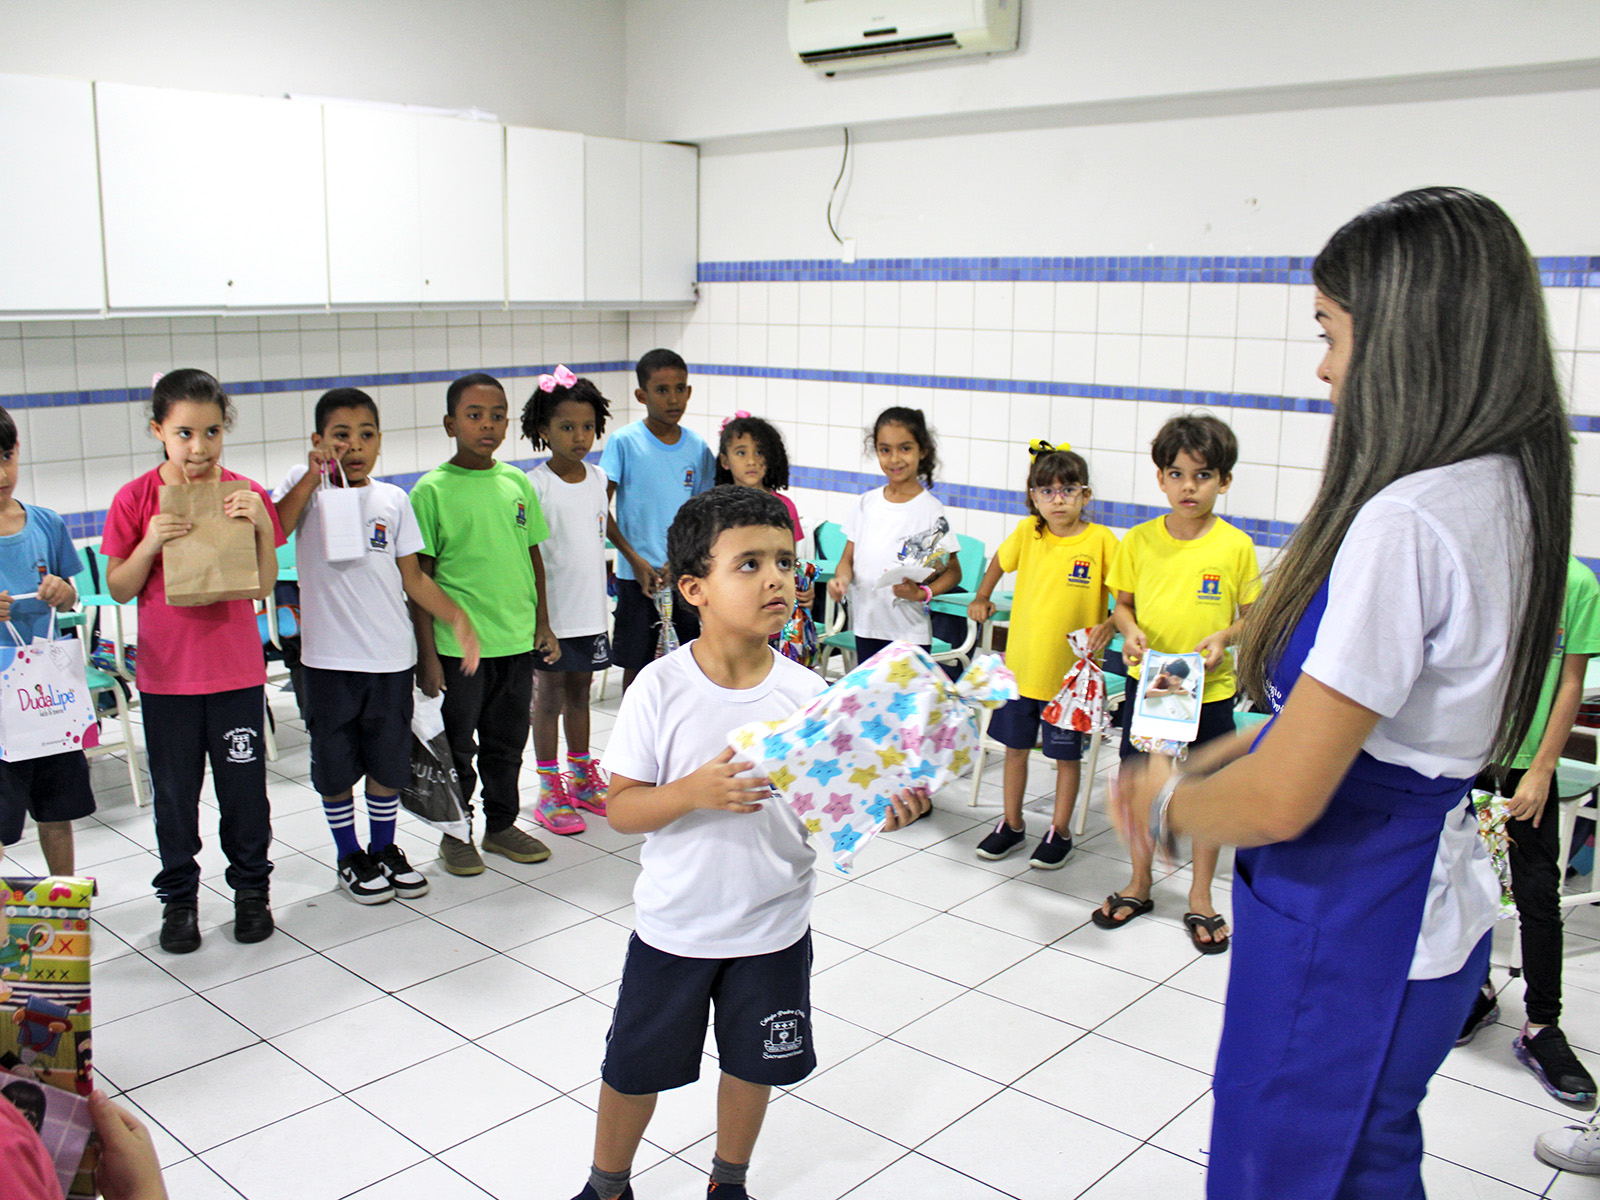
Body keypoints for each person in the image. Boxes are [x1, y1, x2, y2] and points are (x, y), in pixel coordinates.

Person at [1112, 187, 1572, 1199]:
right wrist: (1223, 756)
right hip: (1427, 902)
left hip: (1355, 913)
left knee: (1288, 1170)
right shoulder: (1509, 484)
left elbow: (1288, 795)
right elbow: (1364, 727)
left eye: (1330, 333)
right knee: (1366, 1155)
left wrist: (1161, 803)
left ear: (1409, 336)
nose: (1323, 367)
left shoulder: (1409, 519)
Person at [568, 487, 929, 1200]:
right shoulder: (658, 690)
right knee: (634, 1068)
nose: (776, 580)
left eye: (785, 563)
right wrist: (691, 792)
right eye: (750, 564)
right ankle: (607, 1185)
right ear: (694, 589)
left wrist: (880, 809)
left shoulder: (807, 694)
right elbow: (623, 809)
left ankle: (727, 1182)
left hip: (772, 928)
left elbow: (831, 804)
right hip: (676, 927)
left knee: (752, 1064)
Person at [273, 387, 481, 903]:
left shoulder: (393, 499)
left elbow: (413, 578)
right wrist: (313, 474)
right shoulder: (305, 489)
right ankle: (350, 854)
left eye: (366, 434)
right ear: (318, 440)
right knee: (335, 765)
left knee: (388, 763)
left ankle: (384, 848)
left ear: (380, 440)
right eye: (341, 435)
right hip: (328, 662)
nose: (355, 445)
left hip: (389, 660)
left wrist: (457, 617)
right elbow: (275, 530)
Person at [102, 369, 284, 954]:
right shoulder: (135, 498)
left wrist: (261, 524)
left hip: (235, 675)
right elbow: (120, 587)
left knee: (244, 794)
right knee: (176, 798)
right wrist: (151, 541)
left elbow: (263, 584)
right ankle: (179, 900)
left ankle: (251, 892)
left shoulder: (244, 492)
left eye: (211, 432)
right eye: (184, 433)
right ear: (158, 430)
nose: (199, 447)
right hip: (167, 680)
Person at [1094, 413, 1259, 954]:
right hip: (1153, 689)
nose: (1189, 487)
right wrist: (1130, 631)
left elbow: (1253, 615)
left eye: (1203, 475)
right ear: (1161, 479)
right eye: (1177, 474)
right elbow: (1121, 606)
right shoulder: (1139, 541)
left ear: (1224, 481)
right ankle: (1140, 883)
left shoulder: (1235, 545)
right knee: (1142, 785)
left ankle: (1201, 896)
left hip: (1210, 692)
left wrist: (1224, 638)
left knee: (1207, 793)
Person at [1457, 556, 1598, 1106]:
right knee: (1467, 884)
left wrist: (1542, 768)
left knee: (1537, 893)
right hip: (1469, 756)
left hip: (1529, 767)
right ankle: (1475, 989)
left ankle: (1542, 1026)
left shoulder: (1576, 583)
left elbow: (1571, 683)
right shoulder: (1486, 564)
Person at [409, 372, 557, 876]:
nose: (487, 425)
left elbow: (532, 557)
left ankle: (501, 825)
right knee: (458, 748)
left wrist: (542, 623)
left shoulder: (516, 483)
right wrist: (428, 658)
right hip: (458, 650)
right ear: (450, 424)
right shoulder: (431, 491)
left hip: (514, 643)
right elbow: (419, 580)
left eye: (497, 416)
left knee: (507, 744)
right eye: (474, 416)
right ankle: (456, 833)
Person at [967, 443, 1116, 868]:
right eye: (1046, 491)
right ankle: (1012, 824)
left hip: (1070, 682)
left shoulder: (1101, 541)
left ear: (1085, 495)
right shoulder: (1028, 533)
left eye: (1068, 490)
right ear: (1033, 497)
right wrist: (982, 595)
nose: (1057, 500)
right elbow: (999, 562)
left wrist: (1110, 624)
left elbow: (1126, 594)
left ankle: (1060, 831)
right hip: (1021, 672)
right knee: (1014, 750)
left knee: (1065, 758)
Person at [521, 368, 628, 835]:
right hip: (551, 616)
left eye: (587, 426)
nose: (579, 436)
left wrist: (633, 558)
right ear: (543, 430)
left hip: (590, 611)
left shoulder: (598, 477)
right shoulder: (534, 485)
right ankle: (548, 788)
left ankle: (582, 777)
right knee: (549, 698)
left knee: (581, 692)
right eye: (567, 427)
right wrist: (540, 621)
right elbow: (528, 557)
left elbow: (603, 525)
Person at [0, 406, 94, 876]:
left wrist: (64, 591)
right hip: (2, 708)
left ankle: (64, 901)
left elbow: (74, 595)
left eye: (6, 457)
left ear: (18, 451)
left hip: (49, 696)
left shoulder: (45, 523)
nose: (2, 475)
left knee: (57, 811)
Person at [601, 349, 716, 692]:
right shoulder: (625, 442)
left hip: (684, 576)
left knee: (687, 667)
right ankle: (633, 727)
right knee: (637, 670)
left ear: (689, 391)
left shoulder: (697, 447)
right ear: (642, 395)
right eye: (662, 390)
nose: (673, 398)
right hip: (636, 578)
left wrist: (678, 561)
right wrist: (633, 559)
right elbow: (599, 507)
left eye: (680, 389)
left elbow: (703, 514)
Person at [826, 406, 962, 664]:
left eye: (905, 448)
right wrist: (841, 580)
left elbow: (953, 572)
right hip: (866, 628)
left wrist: (923, 594)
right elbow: (847, 560)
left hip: (909, 634)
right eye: (885, 450)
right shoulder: (866, 503)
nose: (895, 459)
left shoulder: (930, 510)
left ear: (922, 451)